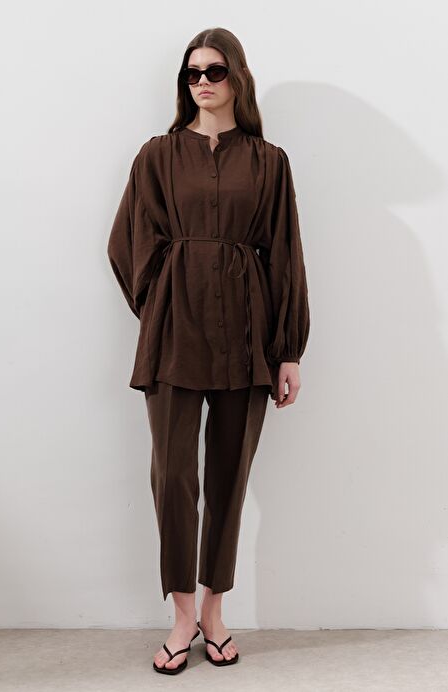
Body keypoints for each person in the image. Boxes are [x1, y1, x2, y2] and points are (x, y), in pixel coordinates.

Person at [107, 27, 310, 674]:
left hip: (246, 335)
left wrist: (287, 350)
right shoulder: (158, 155)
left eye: (214, 71)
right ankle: (181, 616)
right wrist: (162, 301)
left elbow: (285, 255)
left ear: (237, 77)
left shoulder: (269, 161)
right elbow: (126, 240)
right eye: (192, 72)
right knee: (172, 477)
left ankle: (215, 611)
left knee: (228, 477)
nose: (201, 81)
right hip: (174, 333)